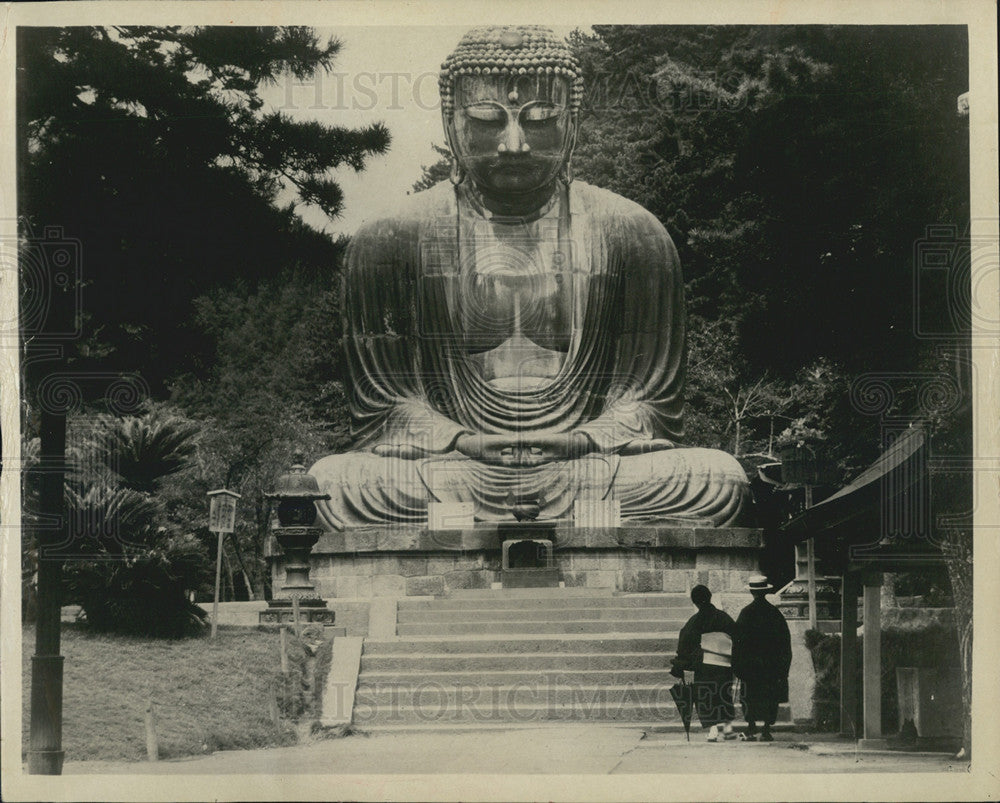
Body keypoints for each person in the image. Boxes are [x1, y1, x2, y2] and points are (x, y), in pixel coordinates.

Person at [310, 25, 749, 528]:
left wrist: (581, 438)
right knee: (334, 481)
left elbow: (647, 401)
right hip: (454, 465)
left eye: (540, 120)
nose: (513, 143)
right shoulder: (394, 238)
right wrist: (463, 440)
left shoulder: (630, 232)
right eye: (485, 119)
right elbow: (385, 406)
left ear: (573, 123)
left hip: (586, 464)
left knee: (717, 479)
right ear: (451, 121)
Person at [670, 585, 738, 741]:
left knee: (707, 696)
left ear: (695, 602)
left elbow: (684, 645)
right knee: (724, 693)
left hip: (704, 664)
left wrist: (681, 663)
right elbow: (737, 637)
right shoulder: (723, 617)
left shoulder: (694, 621)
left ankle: (713, 730)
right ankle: (727, 728)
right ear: (710, 597)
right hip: (724, 662)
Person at [732, 575, 792, 742]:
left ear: (751, 591)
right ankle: (766, 729)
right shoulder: (775, 613)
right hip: (771, 665)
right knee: (770, 696)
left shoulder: (745, 613)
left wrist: (737, 666)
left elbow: (737, 643)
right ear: (766, 591)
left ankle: (751, 726)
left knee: (750, 696)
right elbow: (784, 642)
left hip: (751, 666)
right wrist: (783, 667)